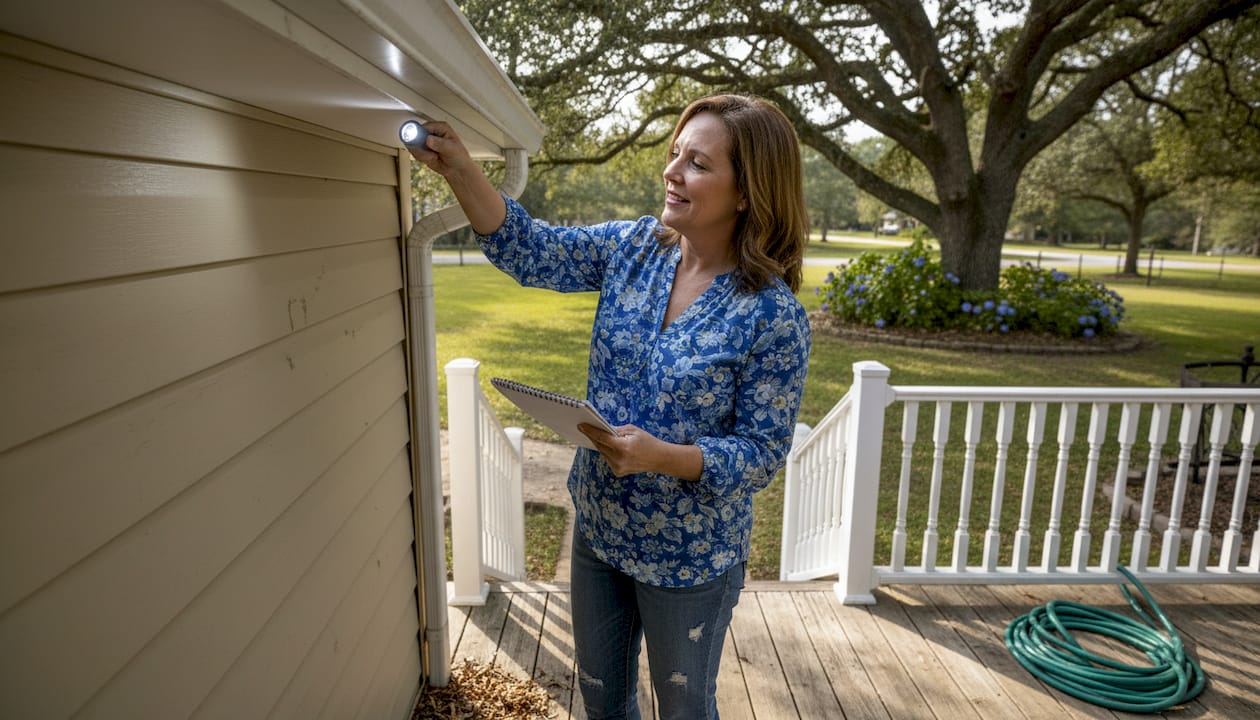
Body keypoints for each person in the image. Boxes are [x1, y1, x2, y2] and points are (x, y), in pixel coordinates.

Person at [409, 94, 811, 720]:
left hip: (690, 558)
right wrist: (460, 168)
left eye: (697, 163)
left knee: (683, 707)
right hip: (599, 531)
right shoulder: (635, 249)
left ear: (746, 192)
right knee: (601, 700)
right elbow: (529, 248)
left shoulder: (772, 314)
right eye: (675, 154)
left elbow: (761, 453)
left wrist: (661, 457)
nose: (672, 172)